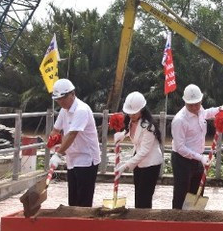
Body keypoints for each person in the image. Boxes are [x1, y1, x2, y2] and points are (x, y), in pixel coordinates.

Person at [170, 84, 223, 209]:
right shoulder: (179, 120)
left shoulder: (200, 110)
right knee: (182, 192)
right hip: (182, 160)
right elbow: (180, 147)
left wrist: (220, 109)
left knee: (198, 190)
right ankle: (177, 217)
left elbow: (207, 113)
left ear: (201, 101)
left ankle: (195, 216)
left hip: (197, 158)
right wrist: (201, 158)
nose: (194, 107)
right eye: (190, 105)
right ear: (185, 102)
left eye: (197, 104)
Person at [48, 78, 102, 207]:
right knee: (73, 199)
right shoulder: (64, 110)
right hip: (72, 159)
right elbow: (55, 130)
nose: (61, 102)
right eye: (58, 100)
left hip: (86, 158)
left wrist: (58, 154)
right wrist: (52, 144)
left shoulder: (81, 110)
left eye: (63, 98)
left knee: (83, 201)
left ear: (72, 94)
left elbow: (72, 134)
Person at [115, 92, 163, 209]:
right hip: (138, 163)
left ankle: (144, 219)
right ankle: (137, 217)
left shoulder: (148, 126)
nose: (131, 115)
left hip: (150, 164)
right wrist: (122, 135)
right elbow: (132, 132)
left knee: (144, 198)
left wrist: (125, 165)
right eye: (129, 113)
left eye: (134, 113)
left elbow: (144, 151)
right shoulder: (131, 121)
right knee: (138, 195)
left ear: (142, 109)